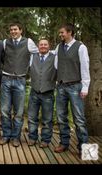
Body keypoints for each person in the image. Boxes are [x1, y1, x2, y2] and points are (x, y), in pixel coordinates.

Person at [0, 22, 38, 147]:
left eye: (15, 29)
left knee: (19, 112)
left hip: (20, 80)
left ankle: (15, 137)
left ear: (21, 30)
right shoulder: (5, 42)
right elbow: (1, 57)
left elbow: (38, 53)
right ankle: (6, 135)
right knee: (5, 110)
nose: (13, 32)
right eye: (11, 30)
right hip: (6, 79)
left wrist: (29, 67)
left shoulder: (28, 42)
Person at [54, 23, 90, 156]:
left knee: (79, 119)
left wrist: (85, 87)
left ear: (70, 32)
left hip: (76, 86)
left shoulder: (81, 47)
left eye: (62, 32)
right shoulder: (59, 47)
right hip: (61, 86)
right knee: (61, 117)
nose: (60, 34)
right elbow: (57, 65)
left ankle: (85, 150)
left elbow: (85, 67)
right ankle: (64, 143)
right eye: (60, 33)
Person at [27, 38, 57, 148]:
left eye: (45, 44)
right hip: (34, 92)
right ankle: (32, 138)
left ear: (49, 46)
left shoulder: (55, 57)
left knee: (47, 119)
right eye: (41, 44)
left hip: (48, 92)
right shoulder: (32, 57)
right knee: (31, 117)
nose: (43, 46)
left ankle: (45, 140)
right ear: (38, 46)